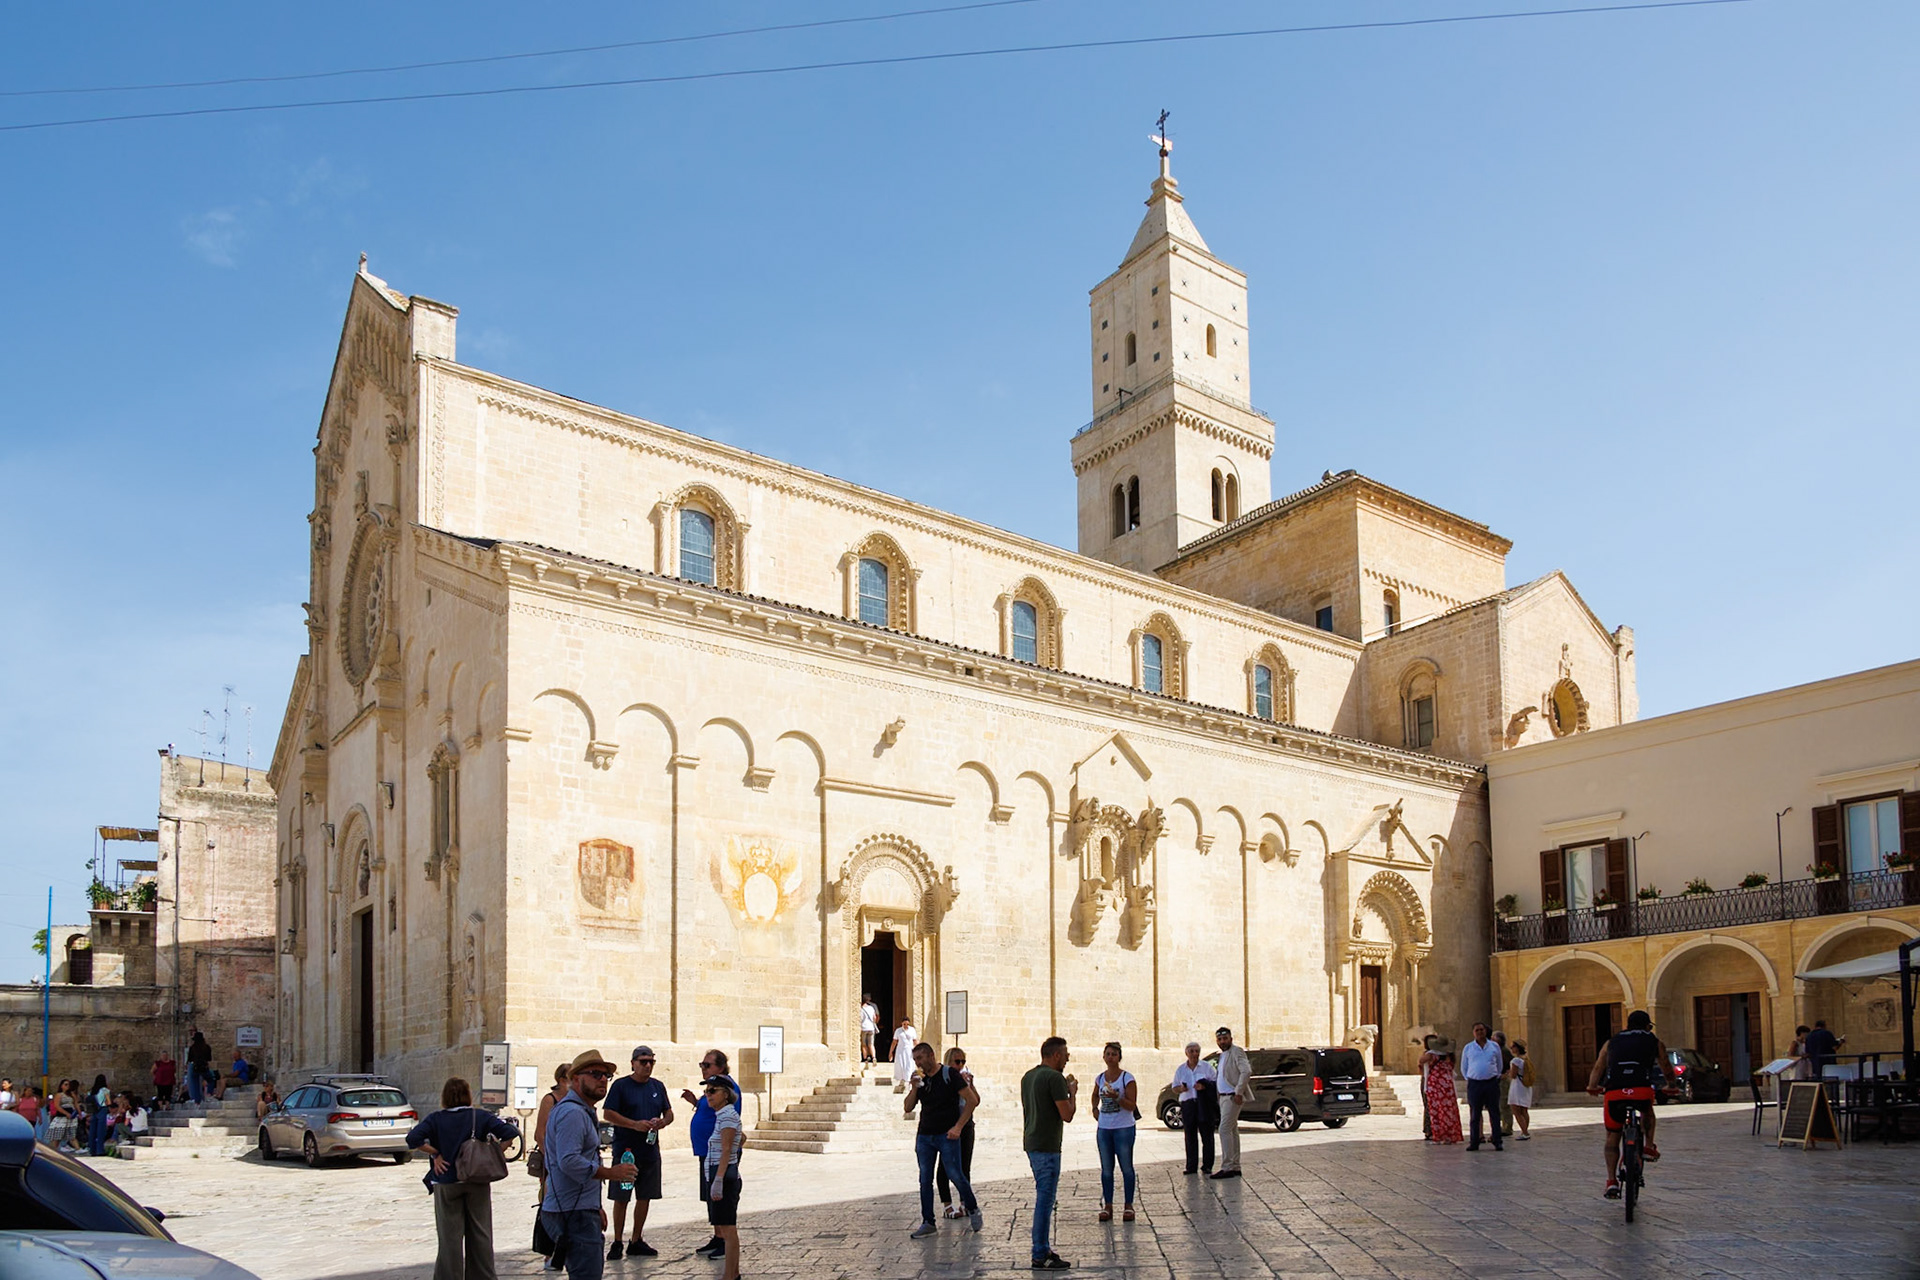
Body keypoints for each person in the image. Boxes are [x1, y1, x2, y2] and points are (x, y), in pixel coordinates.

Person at [408, 1075, 522, 1280]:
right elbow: (510, 1132)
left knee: (449, 1238)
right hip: (476, 1179)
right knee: (481, 1234)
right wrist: (494, 1153)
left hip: (446, 1180)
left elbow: (413, 1139)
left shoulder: (436, 1118)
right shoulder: (480, 1116)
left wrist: (436, 1154)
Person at [540, 1049, 634, 1280]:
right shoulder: (572, 1113)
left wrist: (594, 1205)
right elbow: (569, 1161)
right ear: (575, 1079)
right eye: (595, 1074)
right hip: (573, 1213)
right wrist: (612, 1173)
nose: (602, 1079)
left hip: (579, 1208)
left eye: (605, 1075)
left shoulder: (581, 1111)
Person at [1584, 1009, 1677, 1200]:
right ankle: (1649, 1145)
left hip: (1614, 1092)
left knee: (1612, 1135)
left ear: (1626, 1026)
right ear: (1648, 1026)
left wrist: (1592, 1086)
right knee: (1647, 1111)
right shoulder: (1653, 1040)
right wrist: (1671, 1086)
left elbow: (1598, 1066)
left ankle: (1611, 1181)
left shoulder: (1612, 1041)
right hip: (1641, 1090)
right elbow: (1666, 1065)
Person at [904, 1041, 981, 1238]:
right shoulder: (920, 1079)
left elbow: (972, 1100)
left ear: (931, 1056)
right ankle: (928, 1222)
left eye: (920, 1058)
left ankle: (971, 1207)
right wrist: (913, 1088)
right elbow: (907, 1107)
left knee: (956, 1174)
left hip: (947, 1135)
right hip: (924, 1136)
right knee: (924, 1179)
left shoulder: (950, 1075)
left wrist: (958, 1127)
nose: (917, 1063)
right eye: (915, 1060)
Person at [602, 1045, 672, 1261]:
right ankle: (617, 1241)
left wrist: (662, 1122)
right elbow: (608, 1113)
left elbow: (669, 1112)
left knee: (645, 1196)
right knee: (621, 1197)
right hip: (626, 1152)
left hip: (650, 1152)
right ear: (633, 1063)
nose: (648, 1065)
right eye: (643, 1061)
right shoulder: (621, 1086)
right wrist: (633, 1125)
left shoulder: (658, 1086)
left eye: (651, 1061)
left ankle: (636, 1239)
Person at [1021, 1035, 1077, 1271]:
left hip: (1032, 1142)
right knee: (1045, 1200)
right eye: (1065, 1054)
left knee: (1044, 1197)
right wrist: (1072, 1092)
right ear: (1055, 1055)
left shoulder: (1028, 1076)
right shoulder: (1055, 1078)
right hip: (1048, 1145)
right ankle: (1039, 1252)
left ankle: (1042, 1248)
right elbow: (1067, 1115)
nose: (1067, 1058)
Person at [680, 1049, 740, 1261]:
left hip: (718, 1154)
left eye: (707, 1065)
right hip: (707, 1152)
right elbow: (711, 1110)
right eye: (702, 1065)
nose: (703, 1069)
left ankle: (725, 1242)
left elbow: (729, 1122)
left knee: (720, 1197)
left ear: (721, 1067)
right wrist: (695, 1102)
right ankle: (717, 1236)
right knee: (711, 1198)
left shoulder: (729, 1088)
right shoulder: (713, 1089)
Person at [701, 1077, 745, 1280]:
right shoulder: (725, 1115)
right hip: (721, 1176)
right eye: (707, 1091)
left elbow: (727, 1149)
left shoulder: (727, 1116)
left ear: (725, 1094)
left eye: (713, 1091)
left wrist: (718, 1180)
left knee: (728, 1229)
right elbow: (740, 1138)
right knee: (727, 1227)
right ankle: (732, 1274)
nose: (708, 1095)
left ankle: (730, 1275)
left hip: (724, 1179)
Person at [1092, 1041, 1139, 1222]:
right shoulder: (1100, 1078)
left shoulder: (1127, 1078)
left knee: (1126, 1167)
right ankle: (1108, 1205)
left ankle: (1128, 1205)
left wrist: (1117, 1097)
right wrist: (1095, 1109)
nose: (1110, 1057)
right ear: (1103, 1057)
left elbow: (1131, 1104)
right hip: (1104, 1128)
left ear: (1119, 1057)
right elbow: (1095, 1094)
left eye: (1114, 1054)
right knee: (1106, 1169)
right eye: (1108, 1054)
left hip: (1124, 1127)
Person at [934, 1047, 978, 1220]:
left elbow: (976, 1100)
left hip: (966, 1125)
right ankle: (947, 1205)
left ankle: (964, 1203)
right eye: (957, 1061)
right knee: (944, 1167)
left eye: (963, 1062)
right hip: (948, 1126)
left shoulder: (965, 1078)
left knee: (964, 1165)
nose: (960, 1065)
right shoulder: (944, 1078)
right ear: (949, 1062)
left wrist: (970, 1085)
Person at [1168, 1041, 1218, 1175]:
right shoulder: (1181, 1069)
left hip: (1203, 1104)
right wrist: (1181, 1088)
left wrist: (1204, 1086)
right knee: (1190, 1136)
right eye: (1192, 1051)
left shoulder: (1206, 1067)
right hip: (1188, 1104)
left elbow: (1215, 1083)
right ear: (1186, 1053)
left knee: (1207, 1135)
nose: (1194, 1054)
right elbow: (1174, 1088)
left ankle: (1207, 1165)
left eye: (1197, 1051)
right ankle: (1191, 1166)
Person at [1210, 1027, 1251, 1179]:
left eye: (1225, 1038)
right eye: (1219, 1039)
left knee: (1224, 1129)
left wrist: (1239, 1091)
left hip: (1233, 1096)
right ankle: (1235, 1166)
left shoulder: (1237, 1052)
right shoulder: (1222, 1055)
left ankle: (1227, 1166)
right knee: (1232, 1130)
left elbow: (1246, 1071)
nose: (1222, 1041)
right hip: (1224, 1097)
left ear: (1231, 1039)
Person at [1460, 1023, 1504, 1152]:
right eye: (1477, 1030)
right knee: (1475, 1114)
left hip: (1491, 1083)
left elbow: (1499, 1064)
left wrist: (1494, 1075)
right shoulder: (1468, 1048)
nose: (1479, 1032)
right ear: (1473, 1032)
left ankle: (1497, 1141)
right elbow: (1464, 1067)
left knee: (1494, 1113)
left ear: (1486, 1031)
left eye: (1481, 1030)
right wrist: (1471, 1078)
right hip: (1475, 1084)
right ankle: (1474, 1141)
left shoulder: (1494, 1046)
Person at [533, 1063, 572, 1209]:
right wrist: (551, 1159)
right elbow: (540, 1134)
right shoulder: (550, 1100)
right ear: (562, 1080)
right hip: (553, 1158)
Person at [1420, 1037, 1462, 1145]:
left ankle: (1439, 1135)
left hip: (1435, 1084)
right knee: (1449, 1110)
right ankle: (1451, 1135)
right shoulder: (1450, 1056)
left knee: (1436, 1110)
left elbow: (1421, 1061)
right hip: (1448, 1084)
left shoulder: (1431, 1055)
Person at [1507, 1040, 1534, 1139]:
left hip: (1517, 1086)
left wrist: (1508, 1073)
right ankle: (1525, 1131)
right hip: (1525, 1086)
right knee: (1524, 1110)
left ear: (1517, 1048)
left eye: (1513, 1046)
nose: (1511, 1048)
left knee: (1516, 1110)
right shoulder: (1526, 1059)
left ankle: (1525, 1132)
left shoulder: (1516, 1060)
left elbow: (1513, 1075)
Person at [1491, 1030, 1514, 1137]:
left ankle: (1507, 1128)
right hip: (1497, 1080)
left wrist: (1506, 1074)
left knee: (1504, 1105)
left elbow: (1510, 1064)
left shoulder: (1503, 1051)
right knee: (1499, 1105)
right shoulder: (1497, 1050)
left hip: (1503, 1081)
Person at [86, 1074, 112, 1157]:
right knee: (101, 1131)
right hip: (102, 1109)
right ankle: (99, 1150)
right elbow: (108, 1102)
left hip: (94, 1111)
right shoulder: (105, 1090)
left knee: (92, 1131)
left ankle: (92, 1150)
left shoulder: (92, 1091)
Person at [891, 1016, 917, 1093]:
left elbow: (915, 1041)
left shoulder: (912, 1030)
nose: (905, 1026)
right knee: (901, 1065)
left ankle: (909, 1082)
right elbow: (894, 1042)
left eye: (907, 1024)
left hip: (909, 1051)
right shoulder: (898, 1031)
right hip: (900, 1051)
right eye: (904, 1024)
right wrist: (891, 1052)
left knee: (909, 1065)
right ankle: (902, 1080)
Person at [186, 1031, 213, 1103]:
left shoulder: (193, 1048)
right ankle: (209, 1093)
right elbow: (209, 1058)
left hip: (194, 1067)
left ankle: (196, 1100)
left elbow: (189, 1059)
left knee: (195, 1084)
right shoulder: (207, 1047)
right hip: (204, 1066)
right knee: (211, 1079)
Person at [859, 993, 880, 1066]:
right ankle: (874, 1057)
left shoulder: (861, 1009)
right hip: (871, 1028)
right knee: (871, 1044)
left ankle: (866, 1058)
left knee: (864, 1044)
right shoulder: (871, 1008)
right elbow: (875, 1017)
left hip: (864, 1027)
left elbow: (860, 1019)